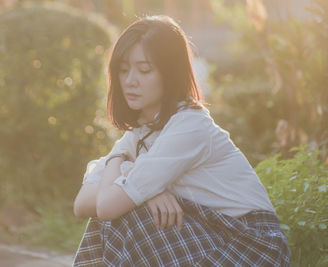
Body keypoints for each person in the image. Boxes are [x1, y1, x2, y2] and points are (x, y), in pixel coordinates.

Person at [73, 15, 290, 266]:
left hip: (253, 244)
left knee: (130, 214)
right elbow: (83, 204)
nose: (130, 80)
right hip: (210, 233)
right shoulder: (139, 134)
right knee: (127, 210)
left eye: (144, 70)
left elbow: (107, 206)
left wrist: (134, 182)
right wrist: (136, 178)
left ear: (170, 74)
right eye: (123, 70)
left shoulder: (190, 126)